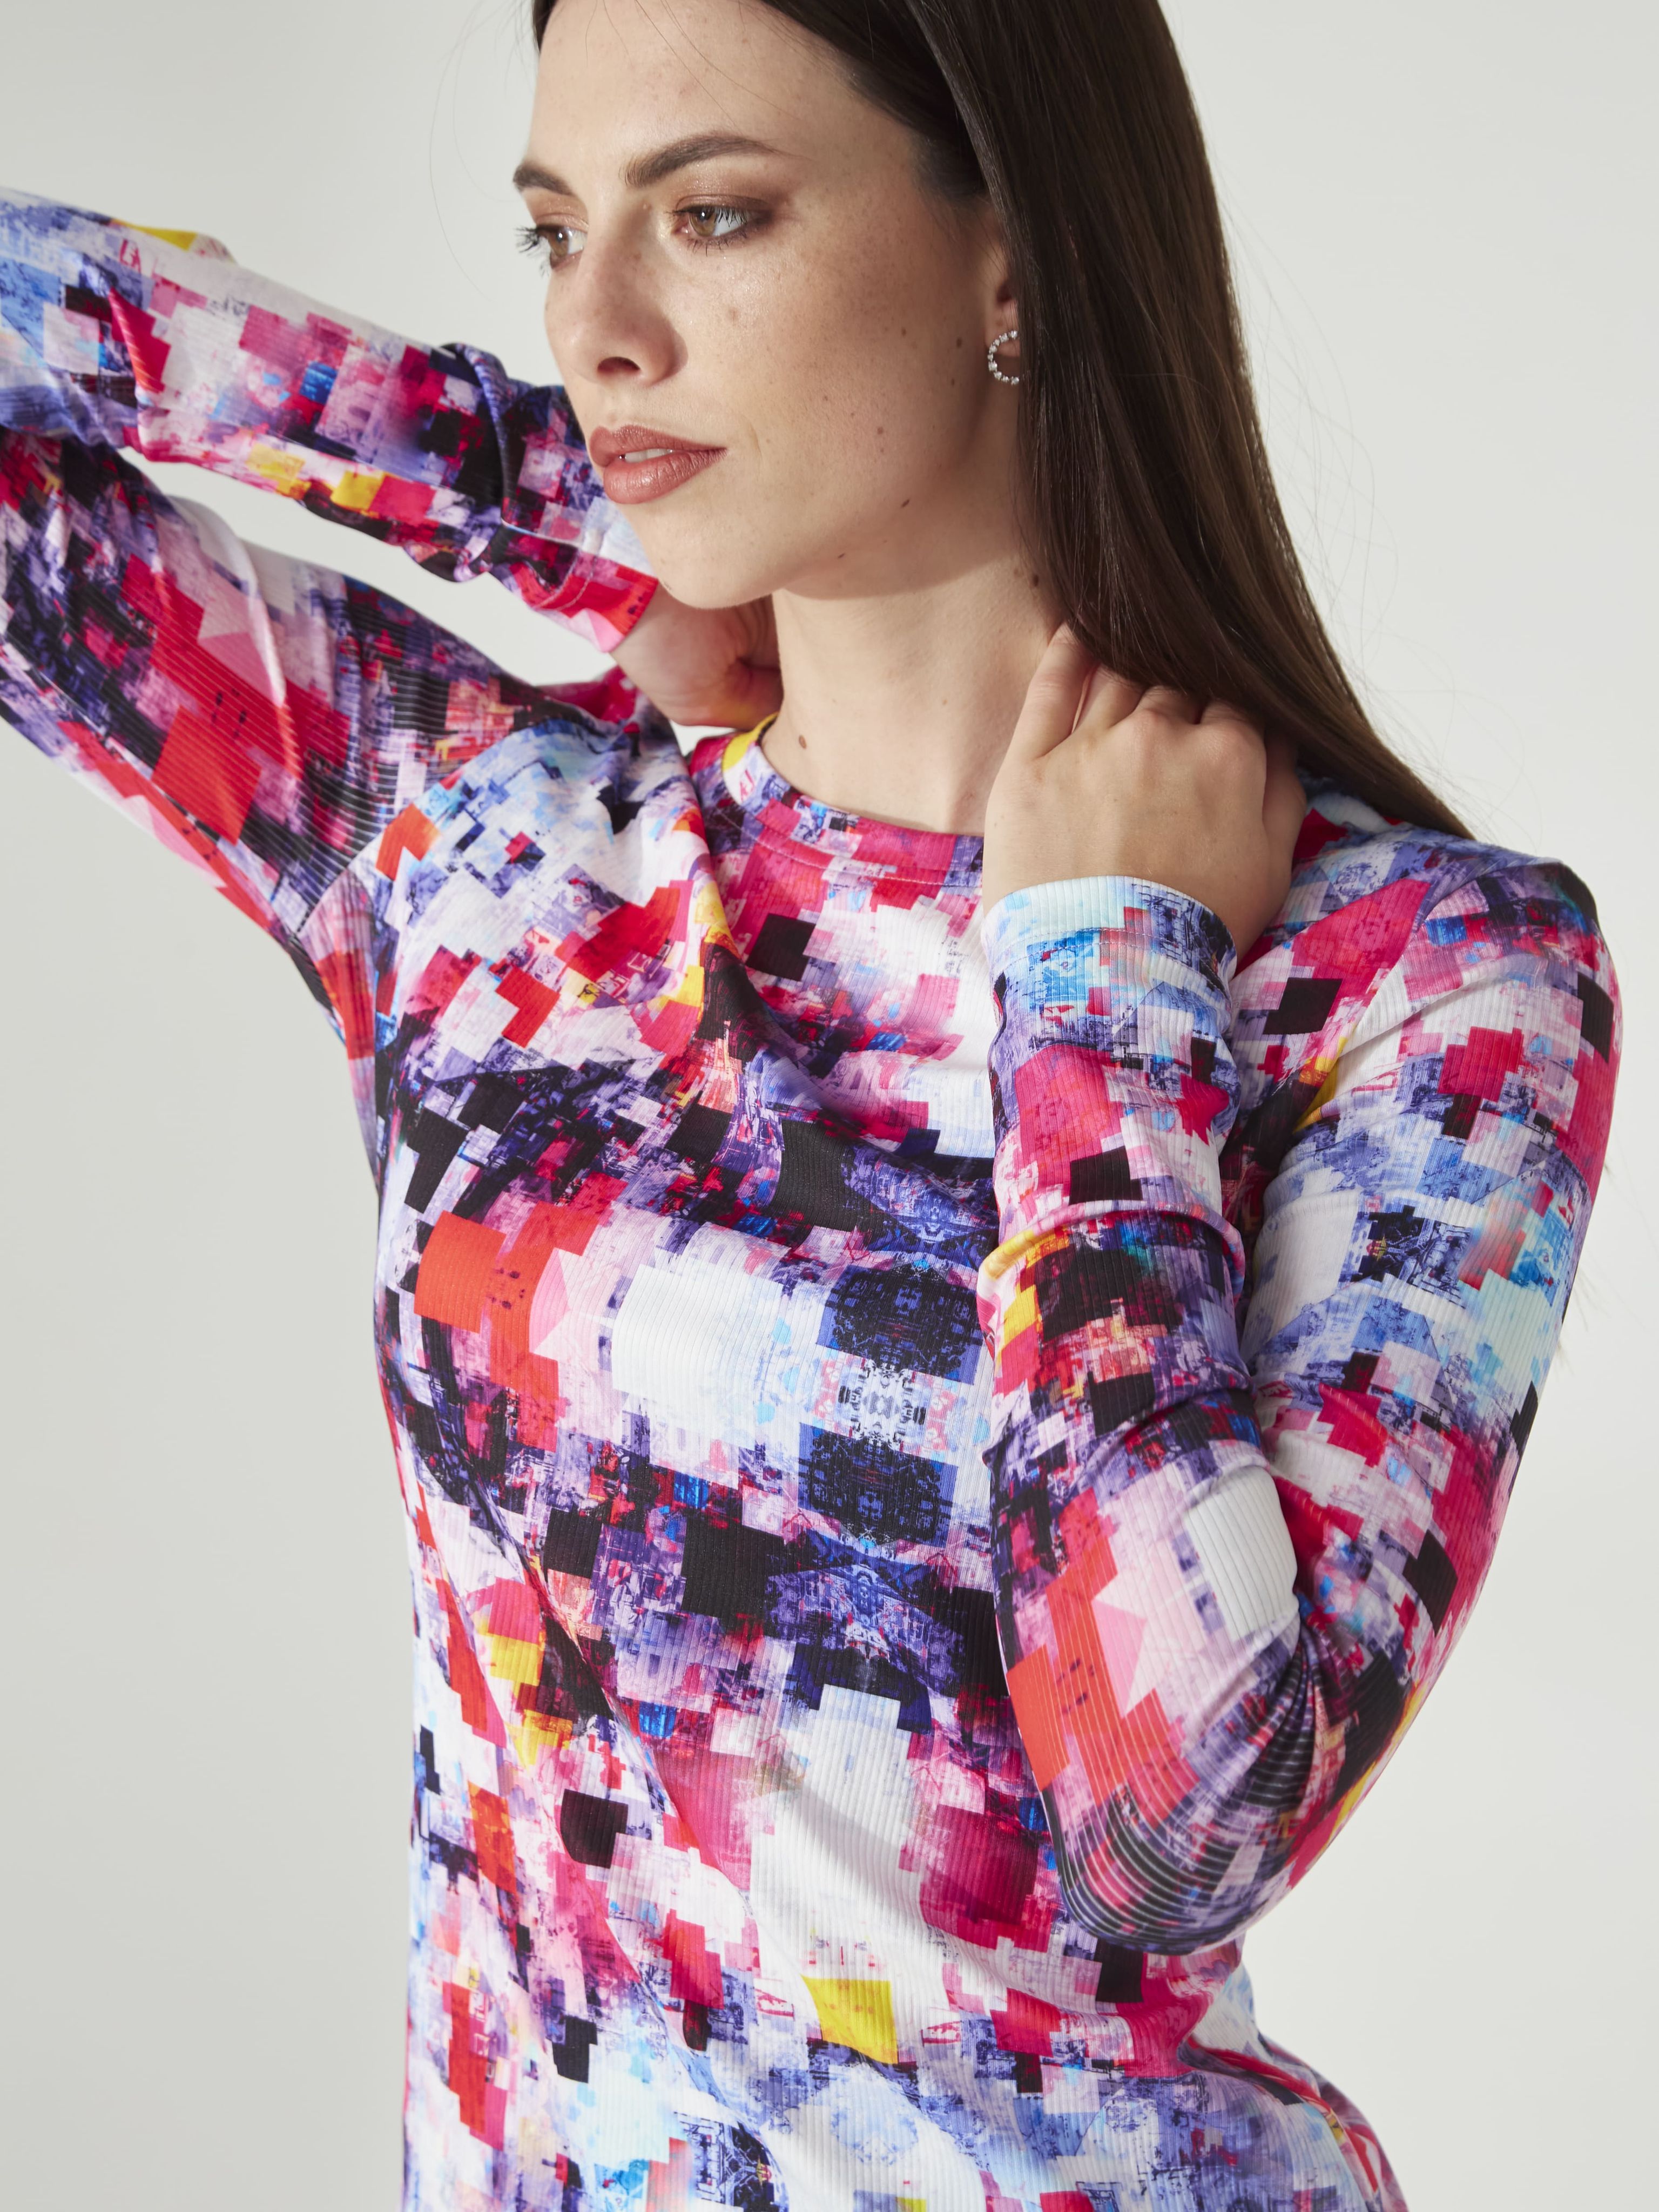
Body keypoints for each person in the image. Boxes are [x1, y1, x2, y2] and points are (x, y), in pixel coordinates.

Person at [0, 0, 1618, 2205]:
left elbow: (1181, 1825)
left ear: (1015, 256)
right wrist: (573, 504)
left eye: (716, 215)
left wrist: (1108, 983)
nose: (599, 321)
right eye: (558, 231)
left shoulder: (1420, 982)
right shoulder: (488, 850)